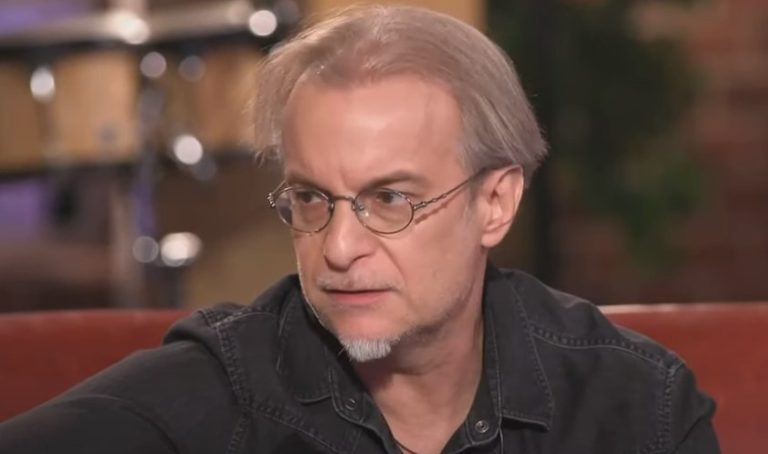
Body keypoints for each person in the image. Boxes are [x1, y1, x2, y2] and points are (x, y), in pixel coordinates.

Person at [0, 5, 719, 453]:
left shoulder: (634, 406)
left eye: (391, 199)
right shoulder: (221, 390)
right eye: (312, 199)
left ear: (496, 203)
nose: (339, 249)